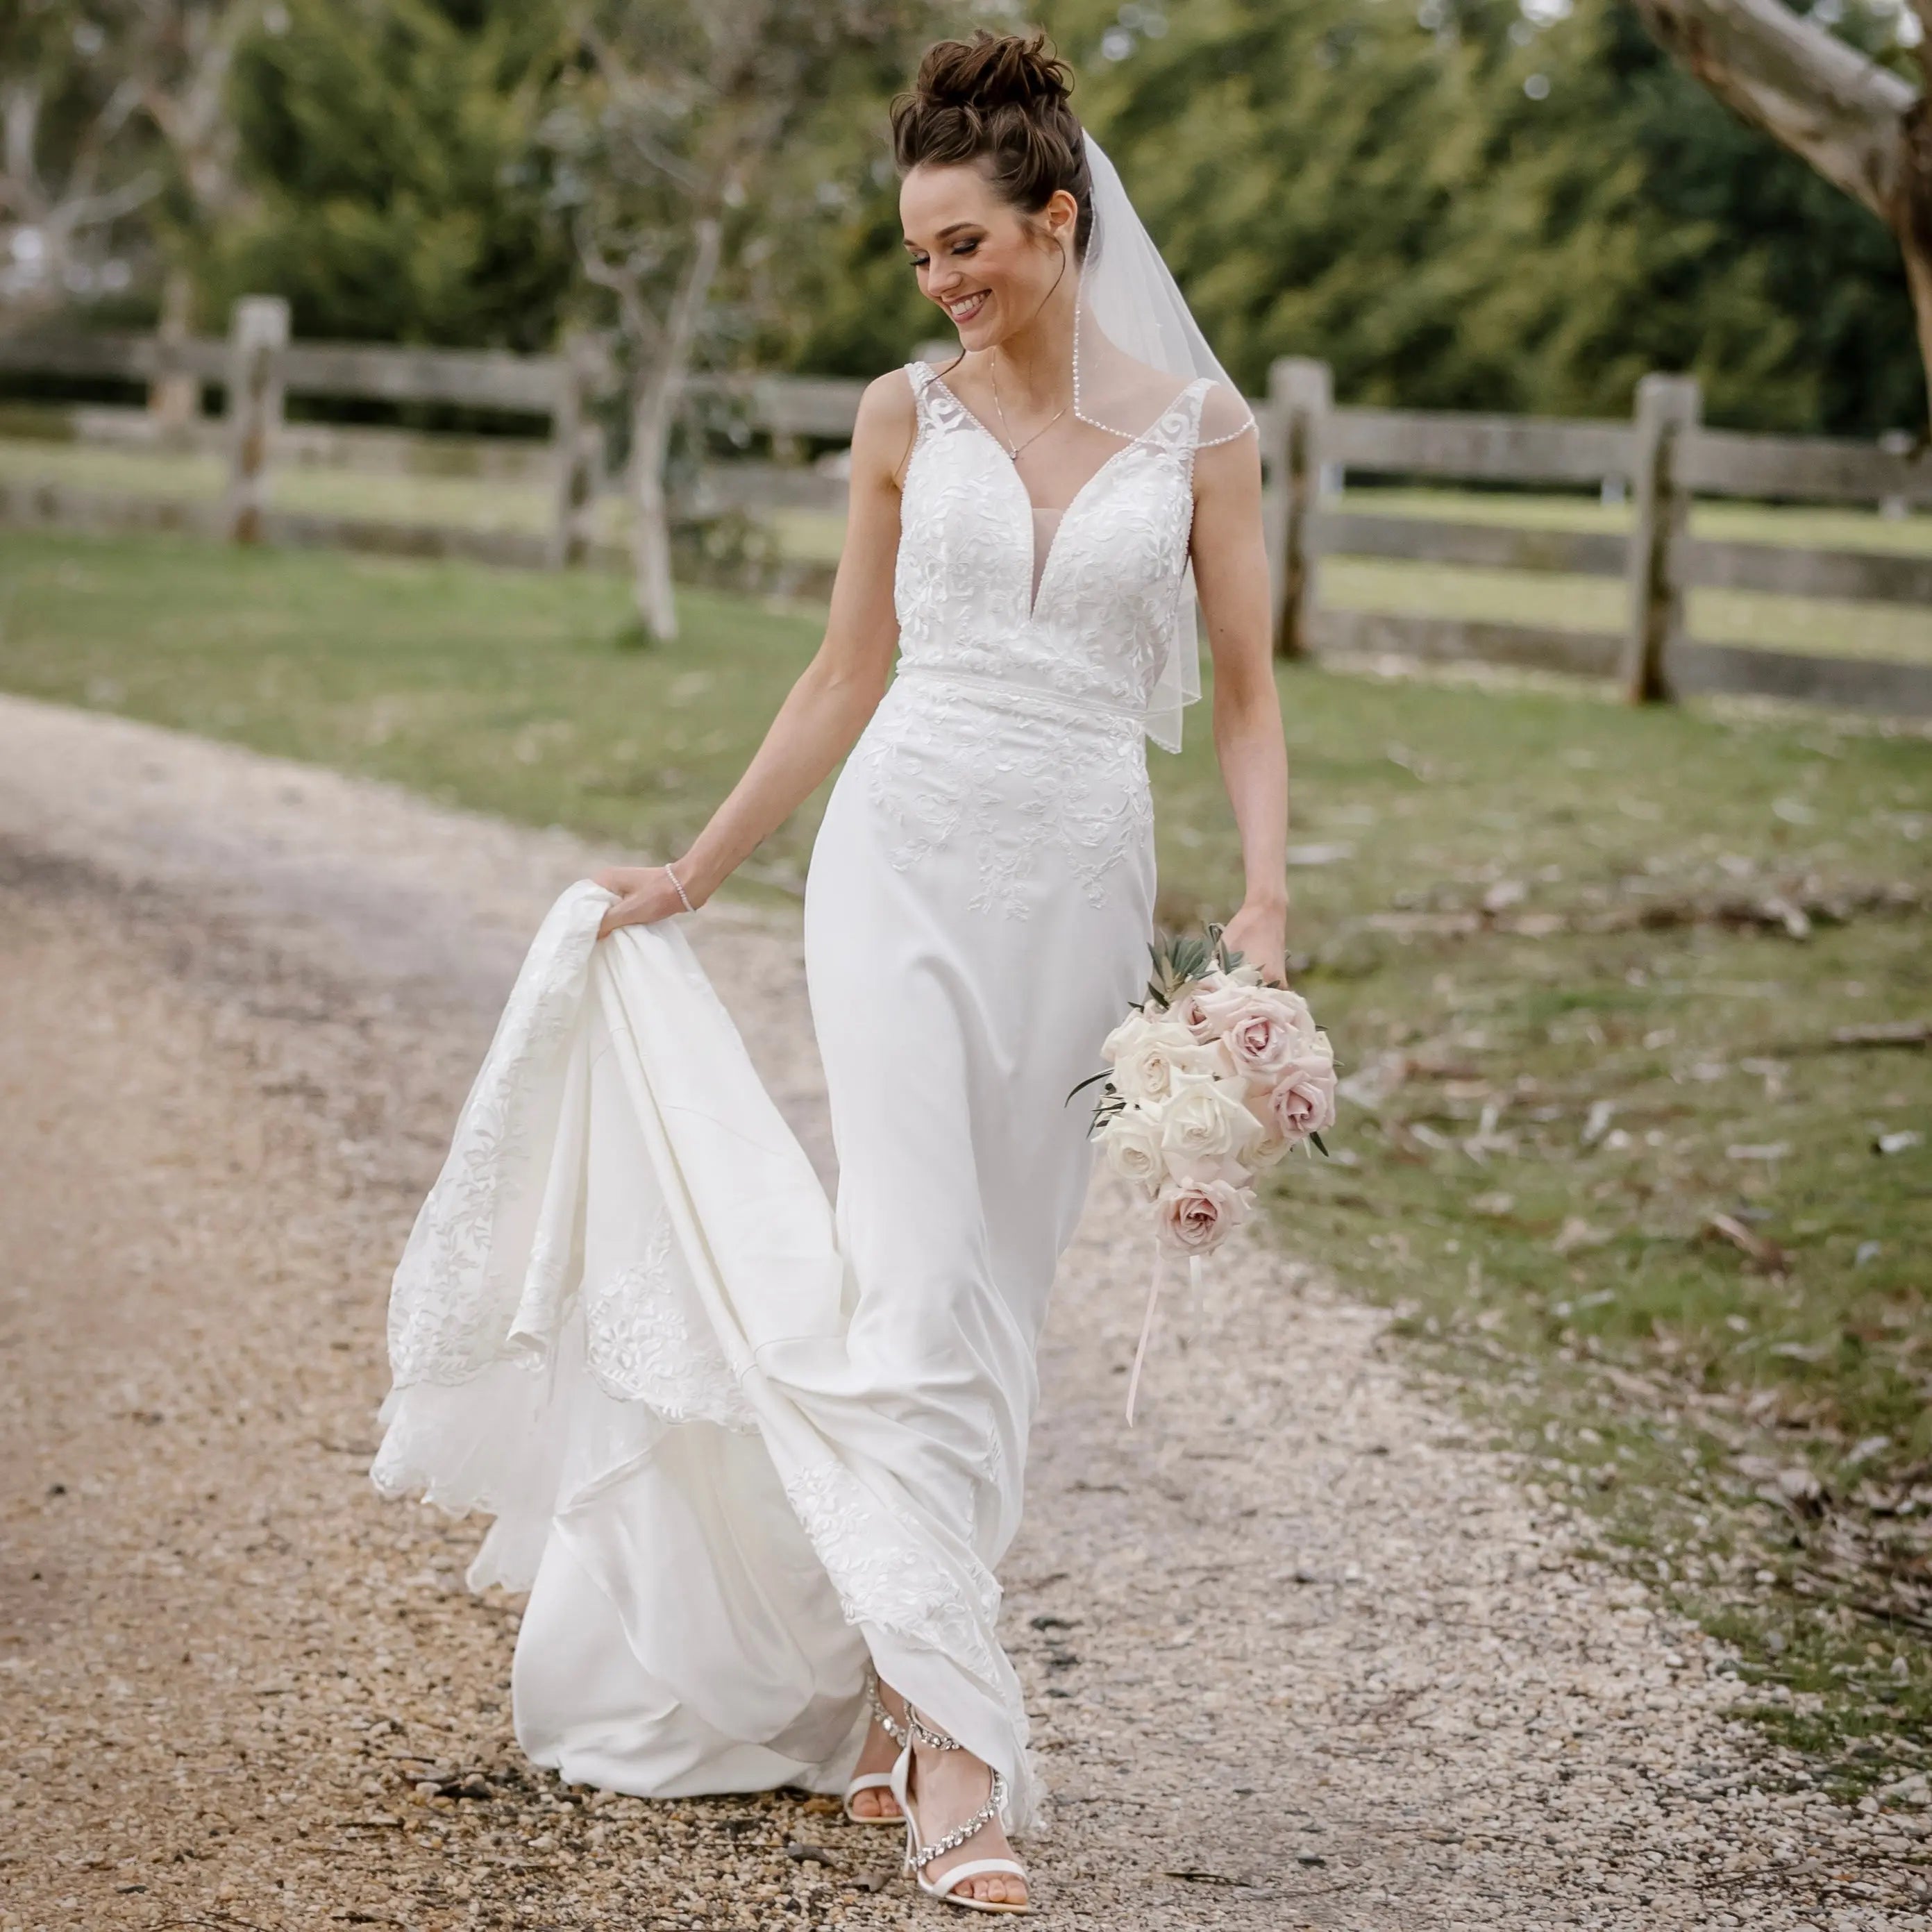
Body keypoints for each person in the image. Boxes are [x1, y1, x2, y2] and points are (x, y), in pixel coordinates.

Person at [378, 27, 1288, 1918]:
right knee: (915, 1268)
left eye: (967, 242)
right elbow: (839, 676)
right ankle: (962, 1751)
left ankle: (893, 1676)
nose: (942, 279)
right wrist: (701, 867)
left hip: (1079, 884)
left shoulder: (1207, 437)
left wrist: (1262, 913)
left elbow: (1251, 704)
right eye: (917, 254)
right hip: (896, 868)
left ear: (1060, 220)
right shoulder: (904, 419)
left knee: (995, 1306)